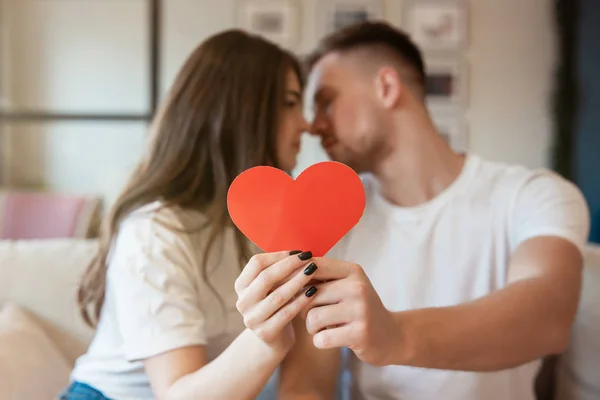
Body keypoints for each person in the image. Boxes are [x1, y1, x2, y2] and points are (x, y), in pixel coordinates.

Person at [235, 22, 591, 399]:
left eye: (326, 102)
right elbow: (308, 385)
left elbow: (548, 317)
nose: (313, 125)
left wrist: (395, 335)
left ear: (386, 88)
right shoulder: (328, 221)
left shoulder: (534, 196)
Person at [59, 29, 317, 400]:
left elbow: (305, 380)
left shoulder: (278, 224)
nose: (306, 124)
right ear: (242, 112)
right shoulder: (155, 230)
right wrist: (267, 339)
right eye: (291, 103)